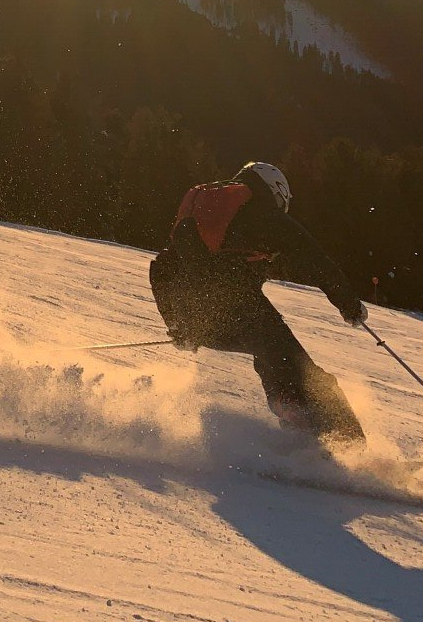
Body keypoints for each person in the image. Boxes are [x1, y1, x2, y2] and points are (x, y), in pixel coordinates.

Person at [148, 161, 368, 445]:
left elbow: (162, 269)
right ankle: (353, 450)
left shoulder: (205, 215)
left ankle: (295, 419)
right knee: (310, 378)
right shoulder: (262, 214)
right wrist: (348, 304)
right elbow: (314, 259)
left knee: (270, 357)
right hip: (242, 312)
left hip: (202, 325)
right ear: (276, 191)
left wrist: (179, 326)